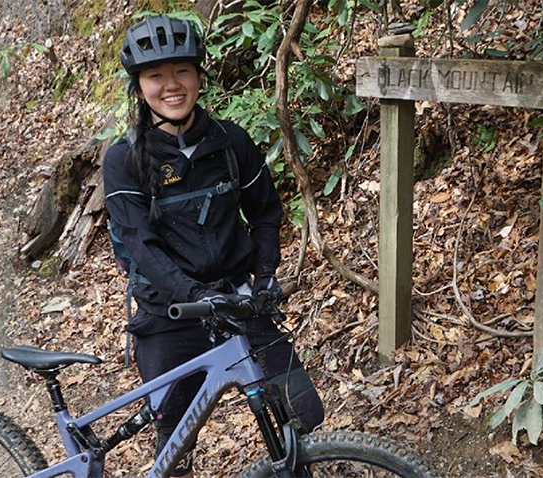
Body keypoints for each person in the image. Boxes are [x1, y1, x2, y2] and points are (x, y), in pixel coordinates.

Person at [102, 15, 325, 478]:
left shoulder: (231, 142)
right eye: (155, 75)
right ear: (138, 86)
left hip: (237, 298)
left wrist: (265, 275)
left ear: (200, 75)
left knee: (302, 411)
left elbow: (265, 212)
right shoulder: (125, 159)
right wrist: (192, 295)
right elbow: (141, 247)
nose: (172, 85)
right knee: (176, 444)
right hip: (170, 314)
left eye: (182, 70)